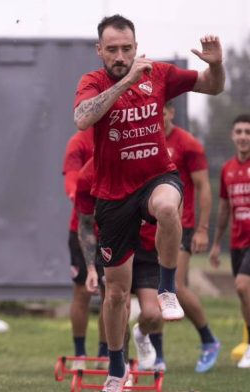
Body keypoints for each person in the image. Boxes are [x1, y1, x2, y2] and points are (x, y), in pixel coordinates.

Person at [73, 14, 225, 390]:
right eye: (112, 50)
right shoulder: (92, 82)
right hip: (113, 196)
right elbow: (82, 118)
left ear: (137, 46)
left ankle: (168, 288)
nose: (121, 56)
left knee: (169, 207)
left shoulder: (158, 74)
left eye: (127, 48)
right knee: (116, 295)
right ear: (100, 51)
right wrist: (126, 81)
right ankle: (116, 368)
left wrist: (218, 65)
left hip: (156, 178)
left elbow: (212, 87)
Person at [75, 158, 164, 374]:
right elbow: (85, 225)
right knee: (118, 305)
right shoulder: (88, 175)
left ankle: (142, 334)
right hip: (114, 246)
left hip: (146, 250)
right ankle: (121, 369)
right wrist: (91, 268)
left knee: (153, 314)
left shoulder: (148, 160)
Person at [162, 102, 220, 372]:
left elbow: (203, 186)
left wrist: (202, 229)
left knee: (175, 286)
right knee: (151, 290)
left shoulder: (187, 143)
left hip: (181, 225)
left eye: (162, 111)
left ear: (172, 112)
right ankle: (157, 357)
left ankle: (209, 340)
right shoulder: (143, 141)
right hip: (149, 226)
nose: (158, 116)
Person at [61, 127, 107, 367]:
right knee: (82, 292)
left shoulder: (118, 134)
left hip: (114, 230)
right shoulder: (78, 142)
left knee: (111, 292)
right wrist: (80, 198)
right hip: (83, 228)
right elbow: (72, 181)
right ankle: (79, 354)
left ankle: (104, 353)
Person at [209, 114, 250, 369]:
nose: (243, 136)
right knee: (244, 295)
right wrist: (215, 244)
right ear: (233, 136)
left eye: (248, 131)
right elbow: (224, 210)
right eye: (239, 132)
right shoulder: (227, 169)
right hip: (237, 242)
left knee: (242, 286)